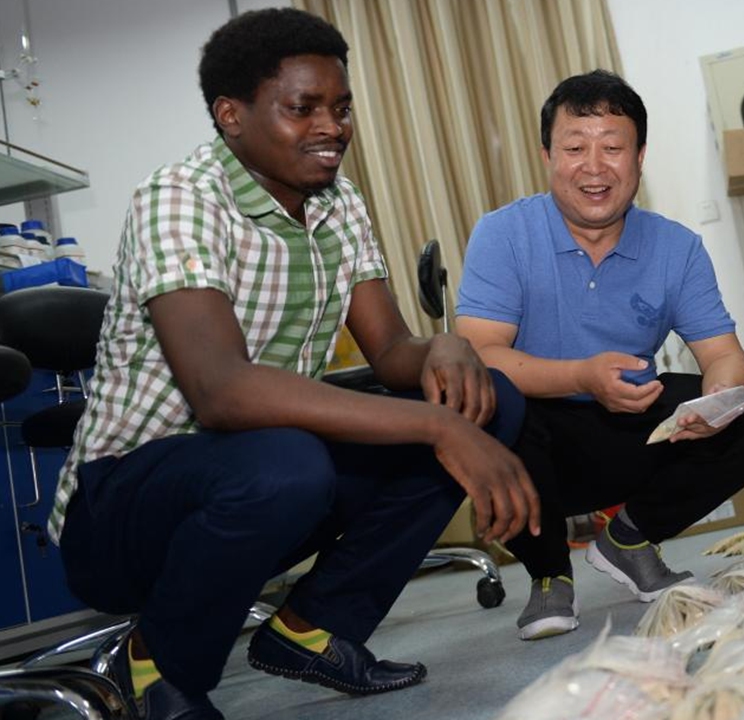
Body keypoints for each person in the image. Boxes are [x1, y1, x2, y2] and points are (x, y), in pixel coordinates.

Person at [48, 9, 539, 719]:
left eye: (341, 108)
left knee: (488, 398)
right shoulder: (179, 198)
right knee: (292, 460)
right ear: (231, 116)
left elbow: (394, 353)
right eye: (301, 108)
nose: (331, 127)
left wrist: (444, 346)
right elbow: (221, 392)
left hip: (258, 481)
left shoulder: (337, 203)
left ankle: (313, 628)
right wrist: (436, 429)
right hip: (126, 506)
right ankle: (155, 669)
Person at [456, 69, 744, 641]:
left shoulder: (677, 247)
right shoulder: (502, 234)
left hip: (630, 427)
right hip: (535, 442)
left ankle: (630, 539)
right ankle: (549, 575)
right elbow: (479, 353)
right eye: (575, 147)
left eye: (613, 147)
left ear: (639, 156)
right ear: (547, 156)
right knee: (496, 401)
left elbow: (725, 355)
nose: (594, 166)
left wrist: (716, 400)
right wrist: (580, 375)